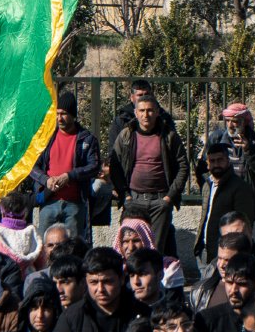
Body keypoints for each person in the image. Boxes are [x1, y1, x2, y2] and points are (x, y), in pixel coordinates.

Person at [109, 98, 187, 266]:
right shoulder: (126, 135)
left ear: (157, 112)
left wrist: (170, 197)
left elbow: (183, 166)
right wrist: (125, 196)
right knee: (129, 247)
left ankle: (154, 287)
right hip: (133, 201)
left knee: (154, 251)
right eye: (142, 111)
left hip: (160, 202)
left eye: (150, 110)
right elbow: (114, 166)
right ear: (136, 113)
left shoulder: (169, 136)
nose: (146, 115)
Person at [32, 93, 99, 239]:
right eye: (57, 114)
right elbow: (32, 166)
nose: (59, 118)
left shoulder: (87, 139)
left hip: (74, 204)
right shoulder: (46, 138)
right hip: (48, 203)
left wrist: (69, 176)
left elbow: (94, 166)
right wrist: (45, 180)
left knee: (73, 248)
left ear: (73, 115)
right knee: (45, 247)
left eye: (64, 114)